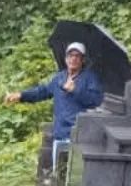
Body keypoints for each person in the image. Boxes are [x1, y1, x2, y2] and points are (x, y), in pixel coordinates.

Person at [5, 41, 104, 169]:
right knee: (58, 175)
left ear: (82, 60)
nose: (73, 58)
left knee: (74, 179)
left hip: (78, 137)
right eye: (70, 55)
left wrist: (76, 90)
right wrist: (21, 95)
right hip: (60, 135)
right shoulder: (59, 78)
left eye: (77, 56)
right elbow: (42, 92)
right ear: (66, 58)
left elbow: (96, 100)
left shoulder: (90, 78)